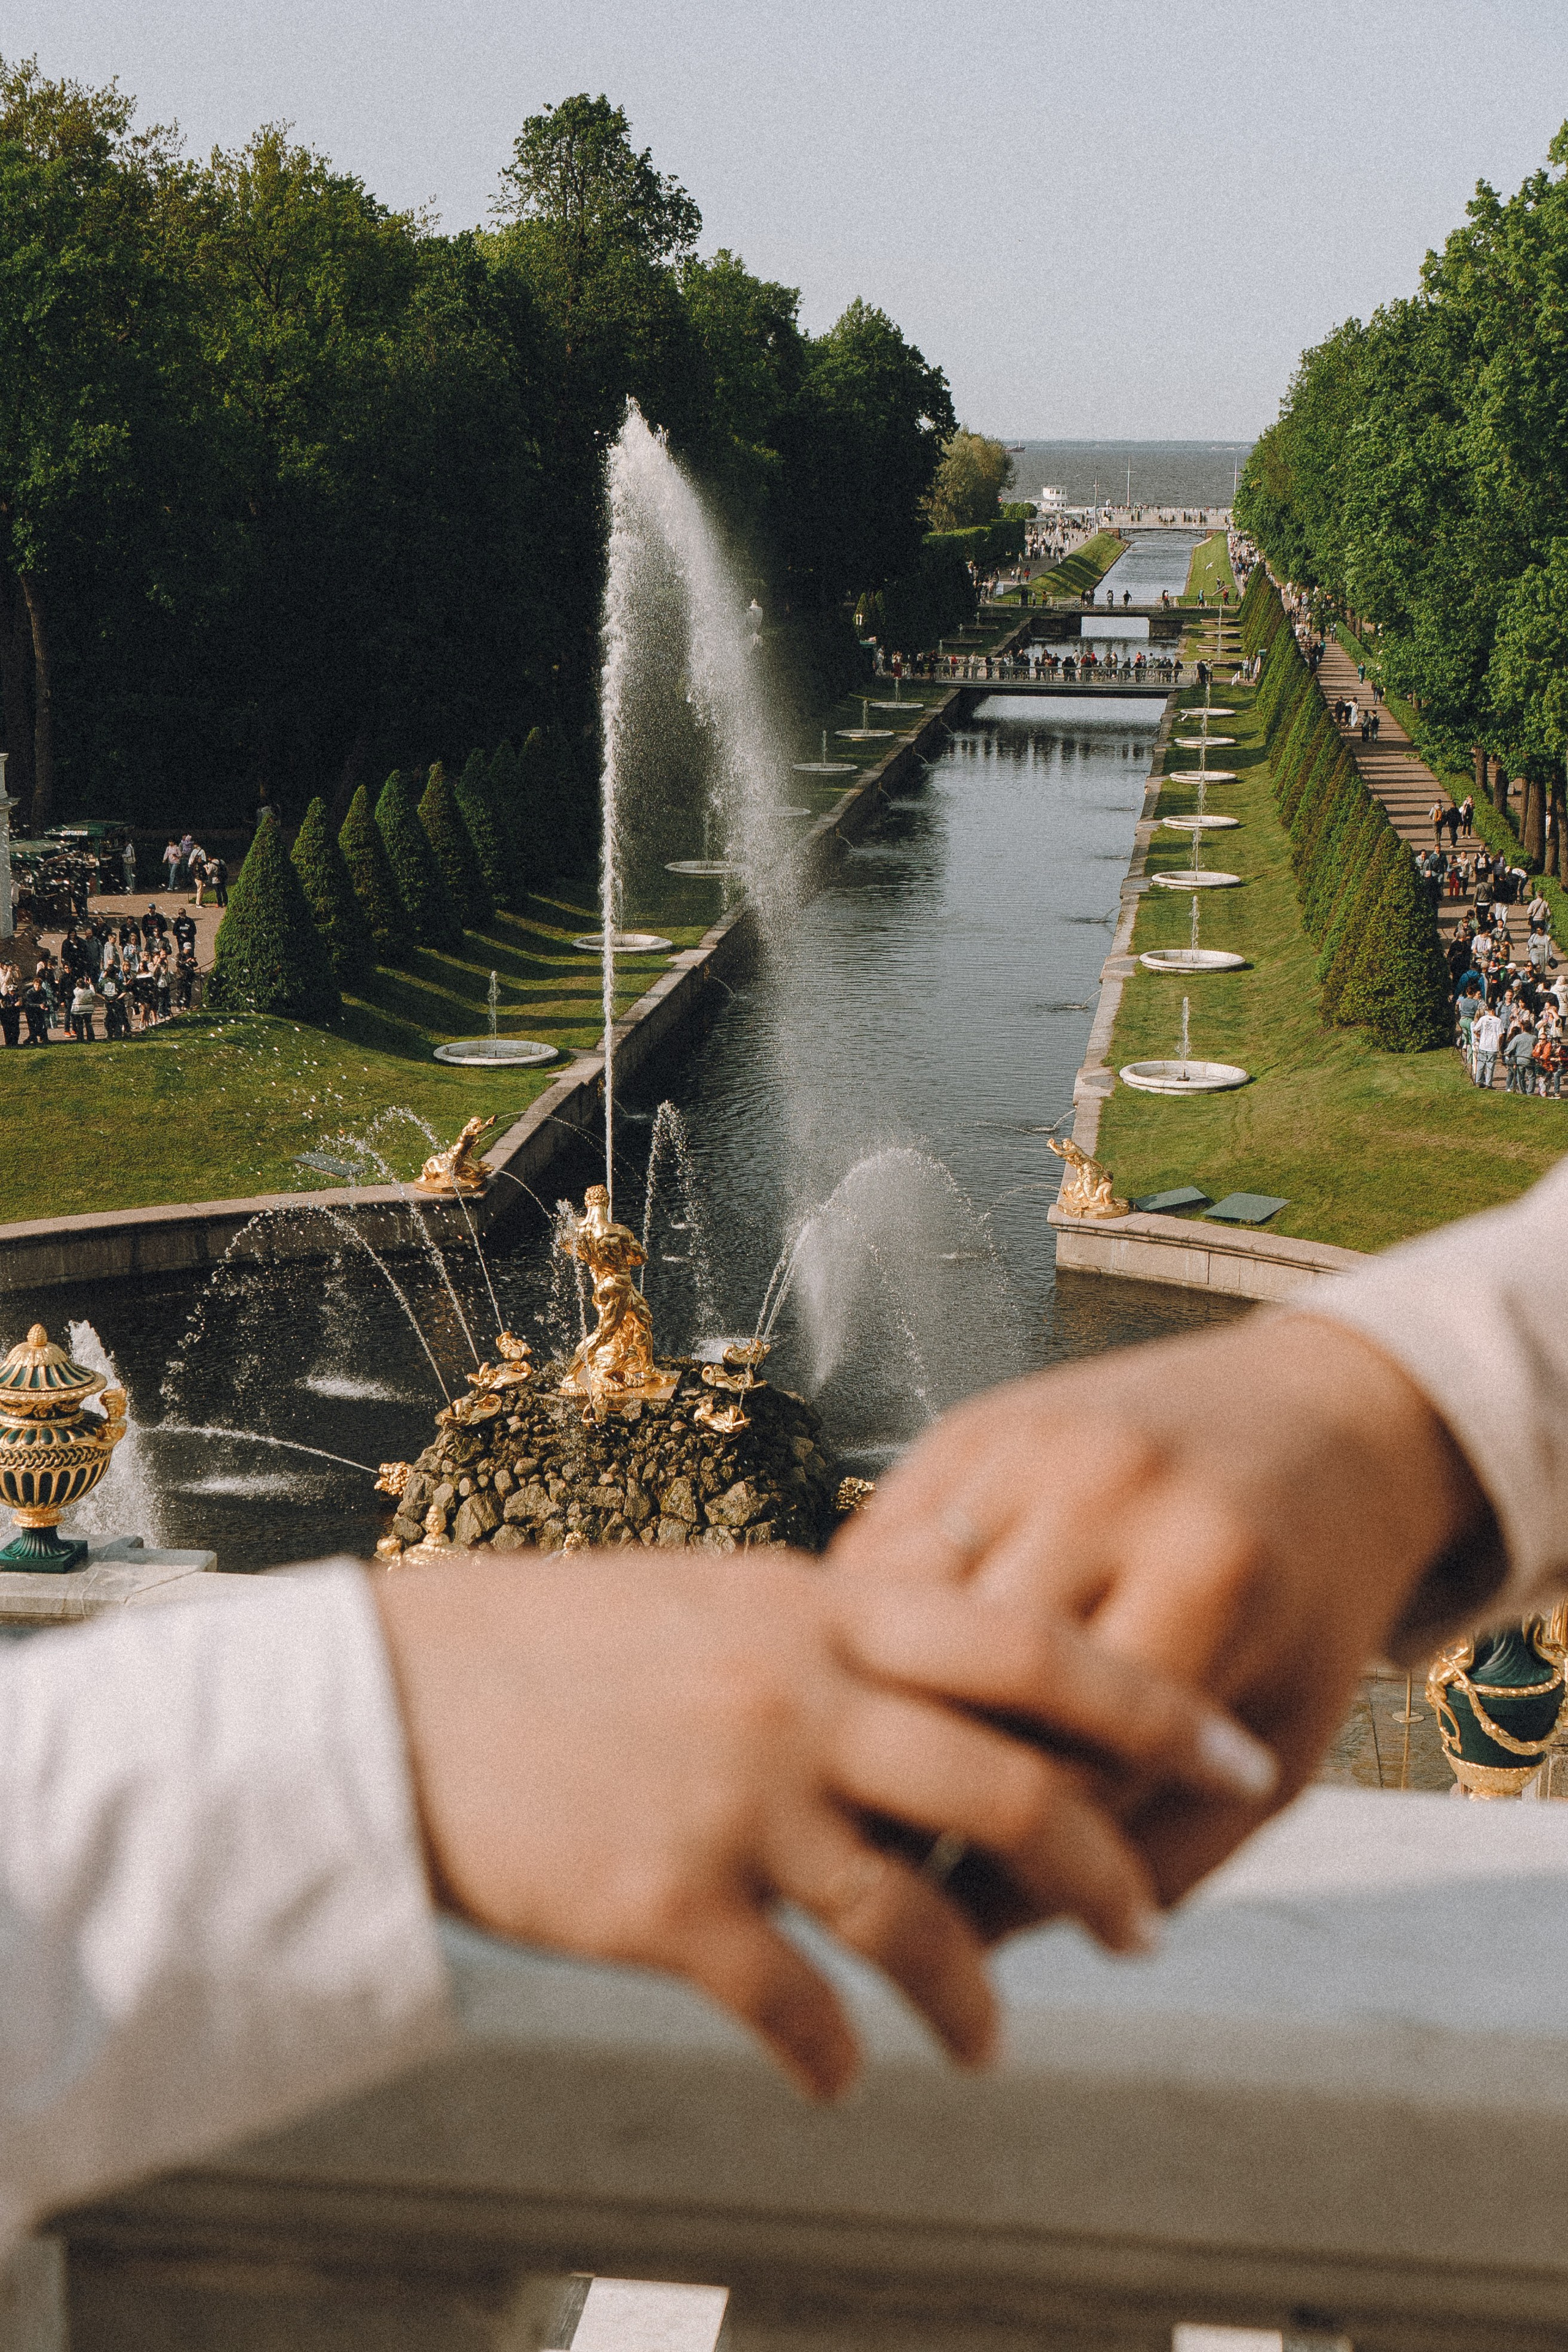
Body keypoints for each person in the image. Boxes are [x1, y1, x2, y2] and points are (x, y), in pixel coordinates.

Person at [1471, 1003, 1502, 1087]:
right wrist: (1499, 1045)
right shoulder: (1498, 1021)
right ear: (1494, 1010)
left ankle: (1478, 1081)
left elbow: (1475, 1030)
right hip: (1493, 1046)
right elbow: (1501, 1035)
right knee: (1490, 1066)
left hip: (1483, 1045)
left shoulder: (1483, 1019)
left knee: (1481, 1064)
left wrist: (1479, 1037)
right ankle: (1489, 1084)